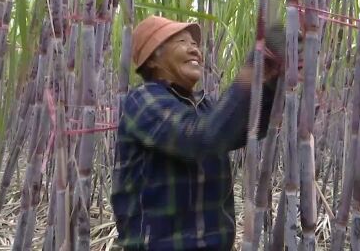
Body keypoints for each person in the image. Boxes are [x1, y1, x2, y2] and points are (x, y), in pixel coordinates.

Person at [111, 15, 286, 250]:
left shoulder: (205, 106)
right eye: (182, 42)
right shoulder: (143, 101)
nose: (195, 50)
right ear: (152, 58)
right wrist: (255, 67)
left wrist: (275, 78)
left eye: (195, 45)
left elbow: (251, 127)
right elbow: (201, 137)